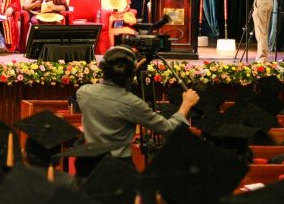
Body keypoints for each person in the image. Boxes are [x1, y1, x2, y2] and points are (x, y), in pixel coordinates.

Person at [74, 46, 198, 174]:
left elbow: (107, 91)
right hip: (119, 168)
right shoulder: (132, 103)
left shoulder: (83, 92)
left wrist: (129, 73)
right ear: (129, 75)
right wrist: (186, 104)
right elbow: (168, 129)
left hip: (89, 166)